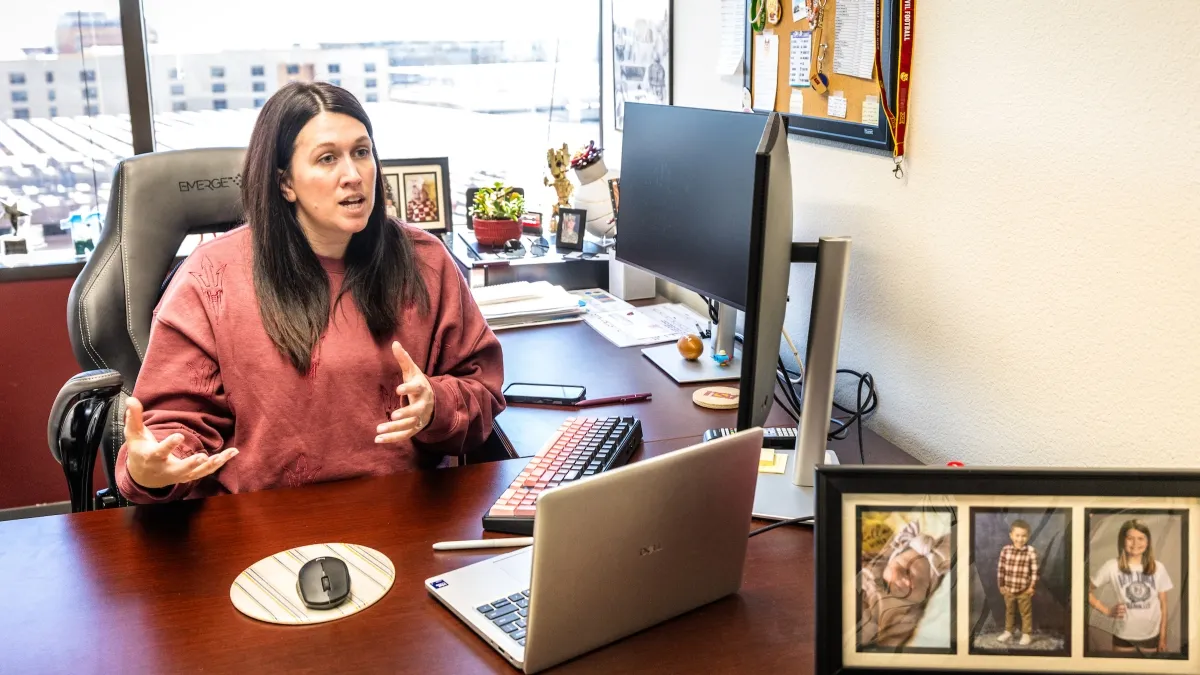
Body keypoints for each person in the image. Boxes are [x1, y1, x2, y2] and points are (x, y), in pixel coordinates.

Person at [115, 82, 506, 503]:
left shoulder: (424, 262)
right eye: (327, 159)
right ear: (285, 183)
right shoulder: (210, 278)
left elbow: (480, 390)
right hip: (266, 528)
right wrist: (152, 469)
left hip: (403, 514)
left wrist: (436, 406)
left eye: (361, 152)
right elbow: (171, 431)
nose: (353, 176)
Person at [1088, 519, 1174, 653]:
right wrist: (1107, 611)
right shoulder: (1112, 566)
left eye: (1141, 538)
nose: (1135, 543)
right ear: (1123, 540)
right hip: (1123, 635)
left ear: (1148, 542)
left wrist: (1162, 637)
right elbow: (1084, 591)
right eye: (1130, 538)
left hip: (1151, 635)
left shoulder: (1158, 568)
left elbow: (1164, 605)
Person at [996, 519, 1038, 646]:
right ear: (1011, 535)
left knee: (1025, 613)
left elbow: (1035, 571)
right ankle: (1008, 631)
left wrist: (1032, 586)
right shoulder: (1005, 550)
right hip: (1008, 589)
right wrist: (1001, 585)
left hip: (1024, 590)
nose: (1020, 539)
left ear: (1028, 536)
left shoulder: (1030, 551)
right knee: (1009, 611)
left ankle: (1026, 634)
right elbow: (1000, 569)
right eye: (1017, 535)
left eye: (1024, 536)